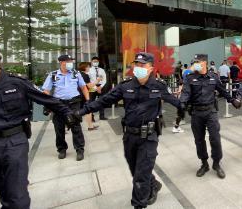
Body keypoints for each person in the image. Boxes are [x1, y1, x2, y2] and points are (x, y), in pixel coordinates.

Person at [0, 41, 79, 209]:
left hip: (13, 144)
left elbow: (47, 99)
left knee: (15, 197)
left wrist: (67, 113)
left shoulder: (17, 84)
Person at [76, 52, 184, 209]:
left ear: (151, 68)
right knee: (136, 170)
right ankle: (153, 185)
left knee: (140, 177)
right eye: (137, 64)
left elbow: (176, 101)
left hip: (149, 137)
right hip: (129, 136)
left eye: (142, 65)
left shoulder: (158, 86)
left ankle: (138, 204)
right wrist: (81, 112)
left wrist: (187, 108)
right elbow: (104, 101)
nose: (138, 67)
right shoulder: (125, 85)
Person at [180, 54, 240, 179]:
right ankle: (204, 163)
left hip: (211, 112)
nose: (195, 63)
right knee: (199, 140)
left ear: (204, 63)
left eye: (197, 61)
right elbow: (185, 93)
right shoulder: (189, 78)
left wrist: (232, 100)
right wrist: (181, 104)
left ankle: (216, 163)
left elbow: (222, 90)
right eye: (194, 61)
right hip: (196, 113)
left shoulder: (213, 77)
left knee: (215, 138)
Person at [42, 54, 89, 161]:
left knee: (75, 125)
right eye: (68, 61)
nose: (70, 63)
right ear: (61, 62)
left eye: (71, 61)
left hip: (74, 102)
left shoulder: (76, 73)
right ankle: (62, 149)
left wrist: (88, 101)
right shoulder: (53, 75)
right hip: (59, 104)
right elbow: (46, 90)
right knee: (59, 127)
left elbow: (84, 88)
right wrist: (48, 104)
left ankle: (79, 149)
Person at [78, 62, 99, 131]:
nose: (89, 68)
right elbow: (89, 86)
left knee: (86, 110)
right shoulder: (85, 75)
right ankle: (90, 127)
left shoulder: (78, 74)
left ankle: (90, 126)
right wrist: (97, 81)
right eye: (88, 67)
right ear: (84, 67)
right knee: (88, 110)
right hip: (84, 95)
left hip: (79, 94)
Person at [88, 56, 108, 121]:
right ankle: (92, 117)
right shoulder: (89, 70)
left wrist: (100, 87)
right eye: (94, 61)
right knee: (91, 102)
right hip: (92, 87)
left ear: (98, 62)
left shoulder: (102, 70)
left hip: (101, 87)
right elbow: (89, 80)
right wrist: (95, 88)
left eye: (97, 61)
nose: (95, 62)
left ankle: (102, 116)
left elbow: (104, 79)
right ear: (91, 62)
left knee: (101, 101)